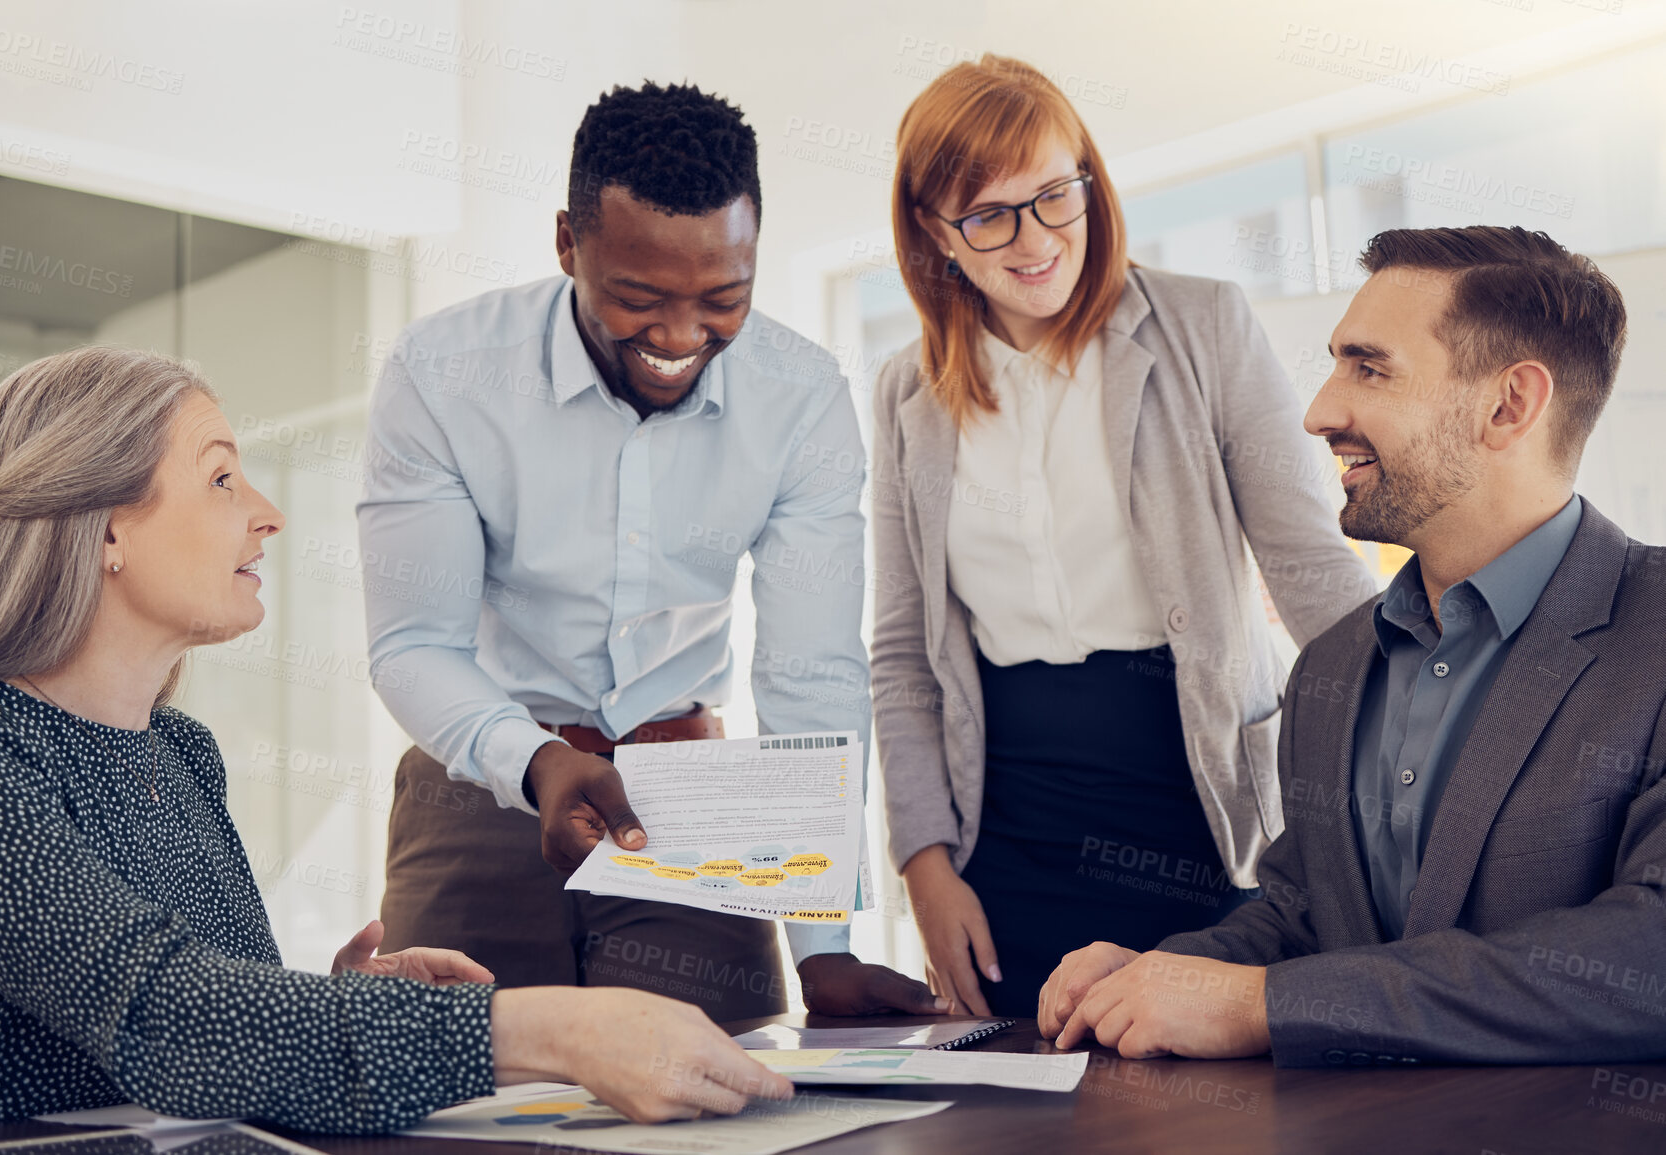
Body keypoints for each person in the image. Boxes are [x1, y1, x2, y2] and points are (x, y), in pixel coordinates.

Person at [0, 347, 793, 1131]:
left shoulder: (181, 754)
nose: (267, 515)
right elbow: (165, 1017)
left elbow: (207, 1034)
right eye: (222, 480)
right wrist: (549, 1028)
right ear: (107, 526)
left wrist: (343, 1007)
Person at [358, 81, 938, 1021]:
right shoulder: (442, 373)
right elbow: (413, 644)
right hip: (477, 790)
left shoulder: (800, 397)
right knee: (462, 1092)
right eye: (636, 299)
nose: (678, 336)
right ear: (566, 244)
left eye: (723, 299)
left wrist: (824, 941)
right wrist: (538, 761)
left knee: (719, 1088)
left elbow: (810, 672)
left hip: (695, 802)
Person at [1037, 225, 1666, 1067]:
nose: (1318, 413)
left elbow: (1647, 955)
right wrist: (1168, 972)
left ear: (1507, 404)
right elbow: (1303, 914)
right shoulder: (1333, 665)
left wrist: (1269, 1005)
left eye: (1367, 369)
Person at [871, 55, 1375, 1017]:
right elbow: (902, 656)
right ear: (935, 234)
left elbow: (1311, 568)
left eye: (1054, 195)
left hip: (1195, 808)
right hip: (1007, 835)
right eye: (987, 216)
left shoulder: (1202, 325)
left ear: (1088, 180)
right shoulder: (906, 393)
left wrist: (1447, 718)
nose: (1035, 241)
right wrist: (923, 868)